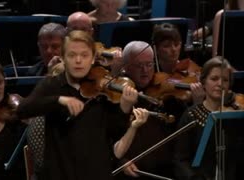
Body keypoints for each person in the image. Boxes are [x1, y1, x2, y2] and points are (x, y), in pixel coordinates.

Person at [16, 30, 149, 180]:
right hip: (62, 172)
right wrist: (59, 100)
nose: (78, 60)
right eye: (72, 55)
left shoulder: (102, 88)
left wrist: (124, 108)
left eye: (84, 55)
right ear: (63, 58)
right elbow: (23, 110)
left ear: (93, 59)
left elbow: (114, 134)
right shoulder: (52, 84)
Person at [174, 56, 244, 180]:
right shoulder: (191, 115)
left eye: (225, 80)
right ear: (203, 82)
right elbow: (180, 159)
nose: (220, 84)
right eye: (214, 79)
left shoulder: (235, 116)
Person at [115, 41, 176, 180]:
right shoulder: (115, 96)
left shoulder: (165, 94)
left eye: (149, 64)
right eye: (139, 65)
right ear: (126, 67)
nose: (145, 70)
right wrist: (121, 161)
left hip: (163, 170)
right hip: (131, 173)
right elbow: (108, 136)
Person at [152, 23, 205, 104]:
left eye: (176, 44)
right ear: (156, 48)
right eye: (166, 46)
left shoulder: (193, 70)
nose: (173, 49)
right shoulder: (150, 72)